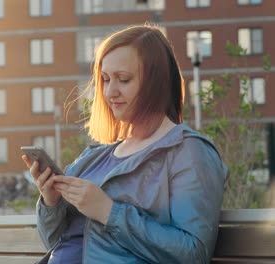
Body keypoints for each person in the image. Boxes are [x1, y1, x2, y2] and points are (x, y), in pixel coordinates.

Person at [22, 24, 227, 264]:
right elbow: (56, 243)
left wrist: (109, 212)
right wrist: (52, 201)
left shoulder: (188, 152)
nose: (110, 92)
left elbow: (194, 253)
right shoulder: (94, 158)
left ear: (156, 82)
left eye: (124, 79)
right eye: (106, 80)